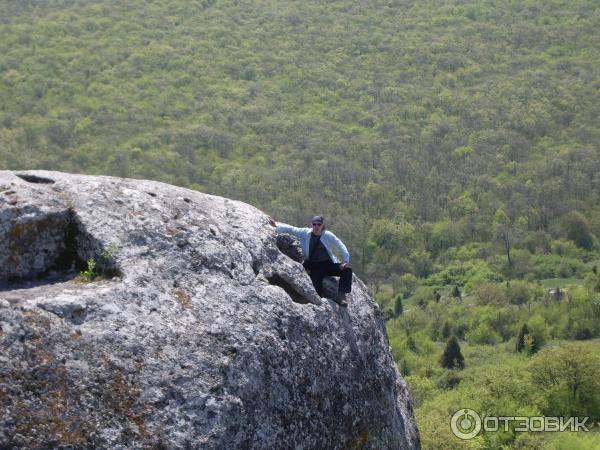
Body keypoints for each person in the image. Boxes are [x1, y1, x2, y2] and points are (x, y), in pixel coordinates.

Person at [269, 215, 352, 306]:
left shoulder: (327, 235)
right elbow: (292, 229)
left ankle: (341, 296)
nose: (316, 226)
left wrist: (345, 260)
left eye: (319, 224)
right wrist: (276, 225)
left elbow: (339, 244)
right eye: (314, 224)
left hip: (328, 265)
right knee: (317, 291)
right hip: (315, 266)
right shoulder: (305, 233)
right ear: (311, 225)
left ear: (322, 225)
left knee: (347, 270)